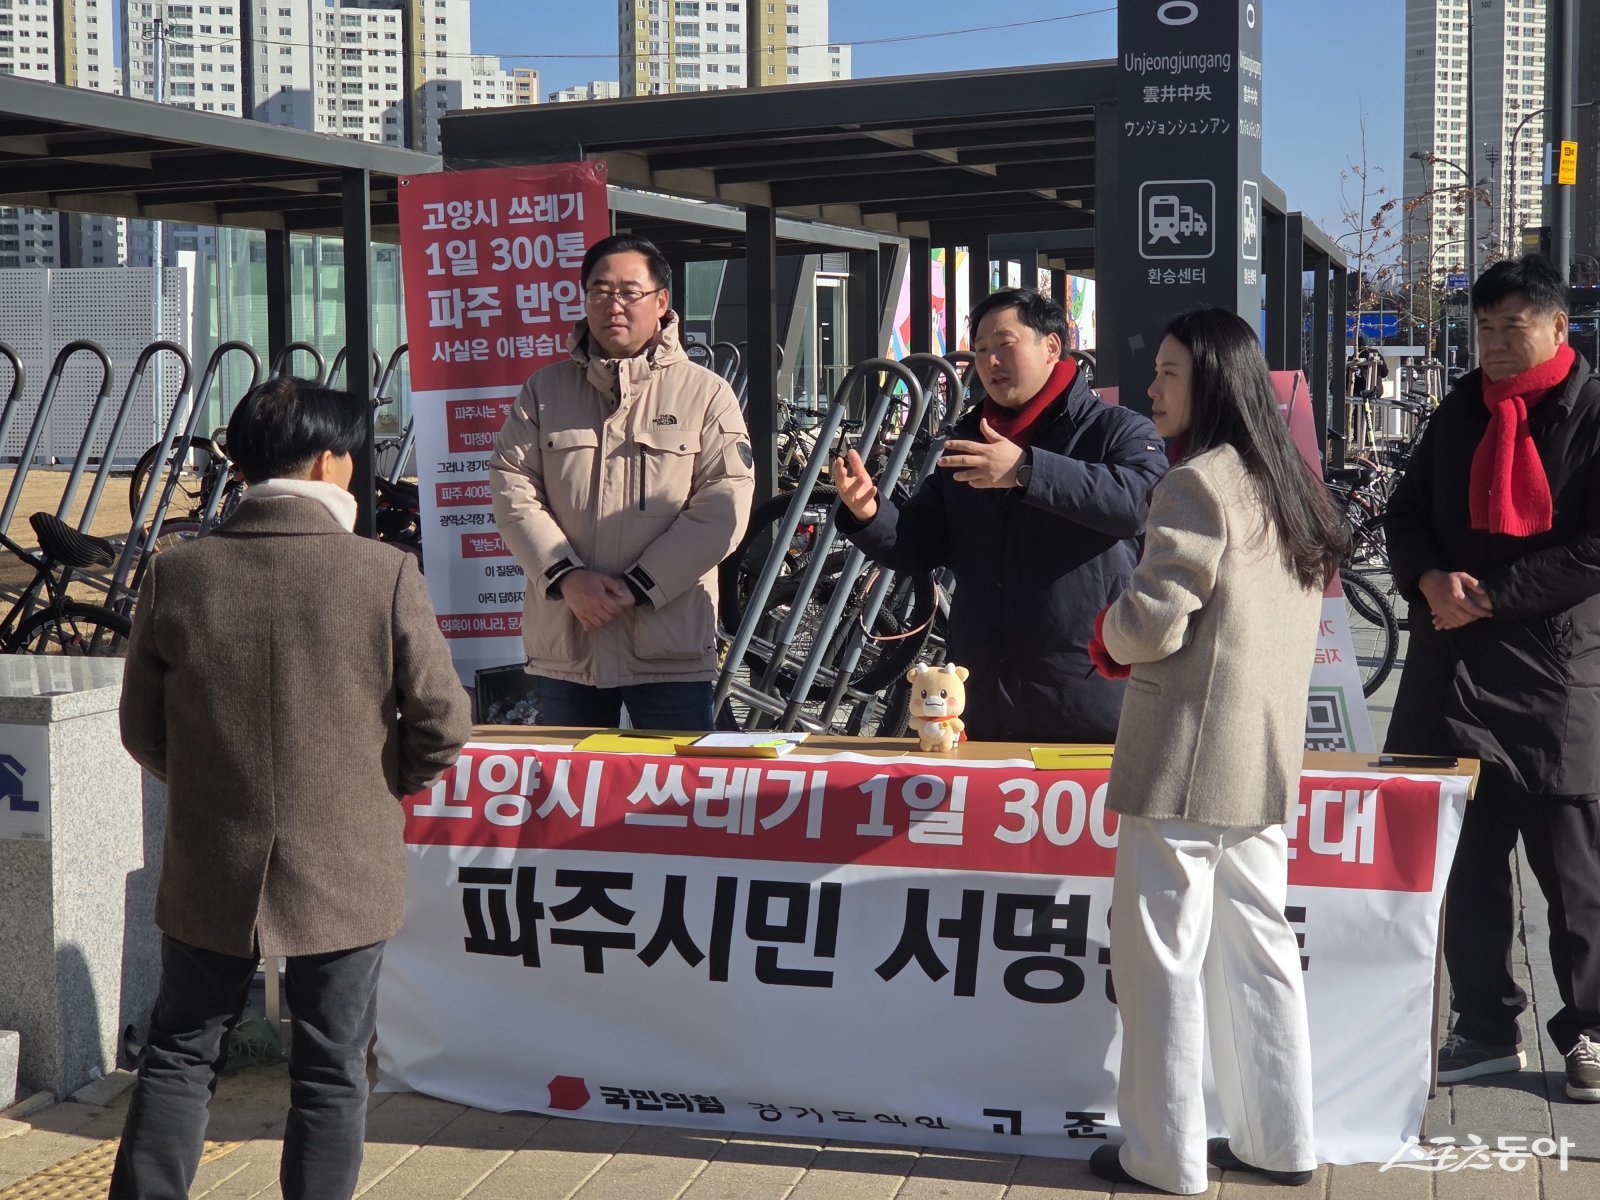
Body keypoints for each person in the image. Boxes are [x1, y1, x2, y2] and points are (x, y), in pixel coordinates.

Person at [113, 378, 472, 1200]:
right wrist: (377, 785)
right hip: (346, 857)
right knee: (333, 1067)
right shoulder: (381, 573)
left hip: (213, 853)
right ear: (330, 461)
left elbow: (143, 731)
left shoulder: (181, 574)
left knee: (178, 1053)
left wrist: (216, 787)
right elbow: (443, 724)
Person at [1086, 308, 1348, 1194]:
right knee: (1258, 950)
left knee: (1160, 956)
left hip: (1186, 753)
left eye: (1167, 372)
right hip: (1263, 754)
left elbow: (1155, 616)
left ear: (1211, 381)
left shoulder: (1198, 482)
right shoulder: (1289, 482)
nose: (1152, 387)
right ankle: (1281, 1140)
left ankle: (1163, 1155)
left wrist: (1110, 634)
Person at [1382, 255, 1600, 1103]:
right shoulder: (1461, 408)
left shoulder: (1589, 411)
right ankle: (1483, 1023)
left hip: (1551, 676)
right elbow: (1404, 516)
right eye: (1485, 329)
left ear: (1557, 327)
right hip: (1449, 674)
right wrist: (1430, 581)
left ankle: (1588, 1028)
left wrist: (1493, 599)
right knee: (1463, 866)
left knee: (1573, 872)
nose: (1498, 345)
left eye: (1514, 327)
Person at [830, 287, 1166, 742]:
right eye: (981, 350)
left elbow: (1140, 503)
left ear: (1051, 345)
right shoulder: (971, 436)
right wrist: (869, 511)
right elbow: (920, 543)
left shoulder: (1114, 428)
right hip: (983, 705)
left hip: (1088, 702)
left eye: (1004, 345)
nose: (989, 362)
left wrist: (1027, 471)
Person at [490, 234, 754, 731]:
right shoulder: (544, 391)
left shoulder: (706, 394)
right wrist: (566, 577)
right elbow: (512, 487)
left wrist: (636, 587)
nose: (613, 305)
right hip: (569, 643)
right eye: (599, 291)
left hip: (667, 643)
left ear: (661, 302)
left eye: (629, 292)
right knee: (571, 797)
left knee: (678, 797)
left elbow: (724, 505)